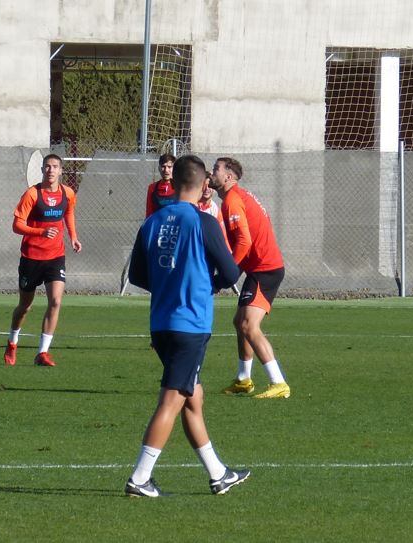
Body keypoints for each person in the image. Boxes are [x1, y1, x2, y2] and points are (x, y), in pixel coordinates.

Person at [125, 154, 248, 498]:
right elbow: (229, 271)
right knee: (172, 399)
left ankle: (218, 474)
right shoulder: (202, 222)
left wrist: (169, 284)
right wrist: (205, 284)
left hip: (161, 323)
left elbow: (137, 275)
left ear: (174, 182)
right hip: (190, 324)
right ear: (204, 184)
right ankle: (140, 477)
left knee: (193, 396)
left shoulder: (151, 222)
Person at [210, 157, 290, 399]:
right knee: (240, 322)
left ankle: (279, 383)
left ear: (228, 177)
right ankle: (244, 379)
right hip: (260, 267)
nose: (212, 172)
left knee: (248, 325)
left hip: (265, 269)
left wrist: (230, 270)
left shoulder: (233, 201)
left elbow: (245, 240)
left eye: (216, 169)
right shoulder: (238, 197)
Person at [3, 153, 82, 367]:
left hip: (55, 256)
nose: (51, 170)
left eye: (55, 166)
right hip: (31, 257)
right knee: (25, 307)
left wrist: (73, 237)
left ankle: (42, 353)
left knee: (56, 301)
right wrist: (40, 232)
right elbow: (16, 225)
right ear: (42, 170)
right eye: (47, 166)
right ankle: (12, 340)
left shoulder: (68, 193)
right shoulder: (32, 194)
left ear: (61, 170)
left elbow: (69, 213)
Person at [145, 153, 176, 218]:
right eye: (163, 166)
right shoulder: (152, 188)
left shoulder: (181, 187)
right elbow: (149, 213)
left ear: (174, 169)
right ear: (159, 168)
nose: (166, 170)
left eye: (169, 167)